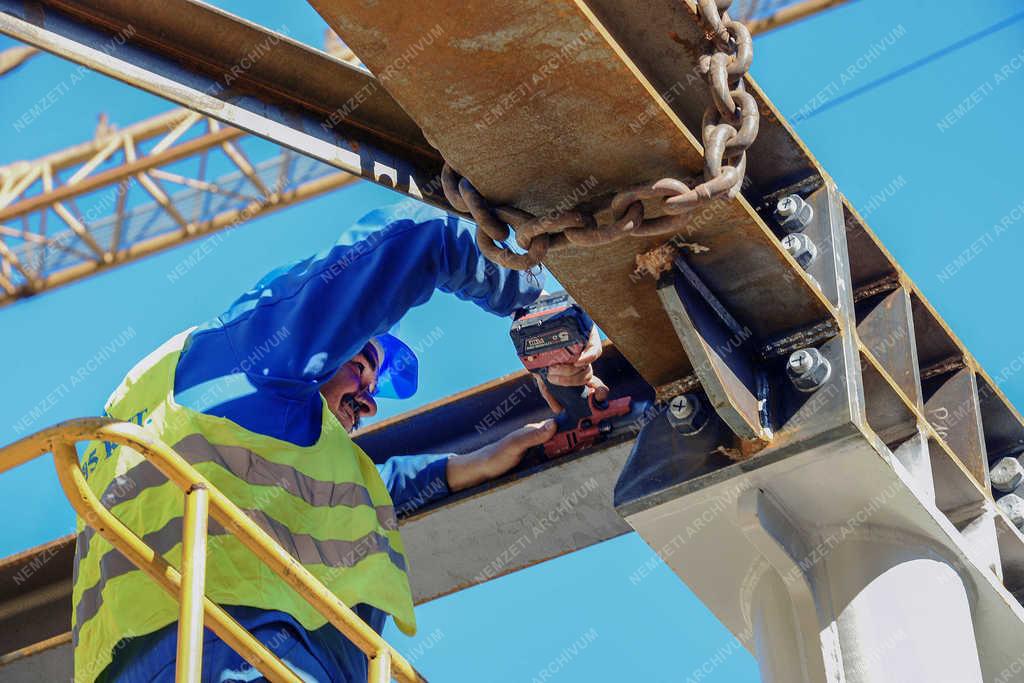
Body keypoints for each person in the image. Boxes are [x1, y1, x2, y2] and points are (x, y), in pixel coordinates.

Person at [72, 201, 607, 682]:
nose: (369, 400)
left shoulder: (190, 419)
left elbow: (342, 497)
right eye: (358, 367)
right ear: (317, 353)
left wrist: (465, 465)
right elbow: (420, 234)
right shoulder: (246, 358)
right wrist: (535, 306)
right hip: (238, 654)